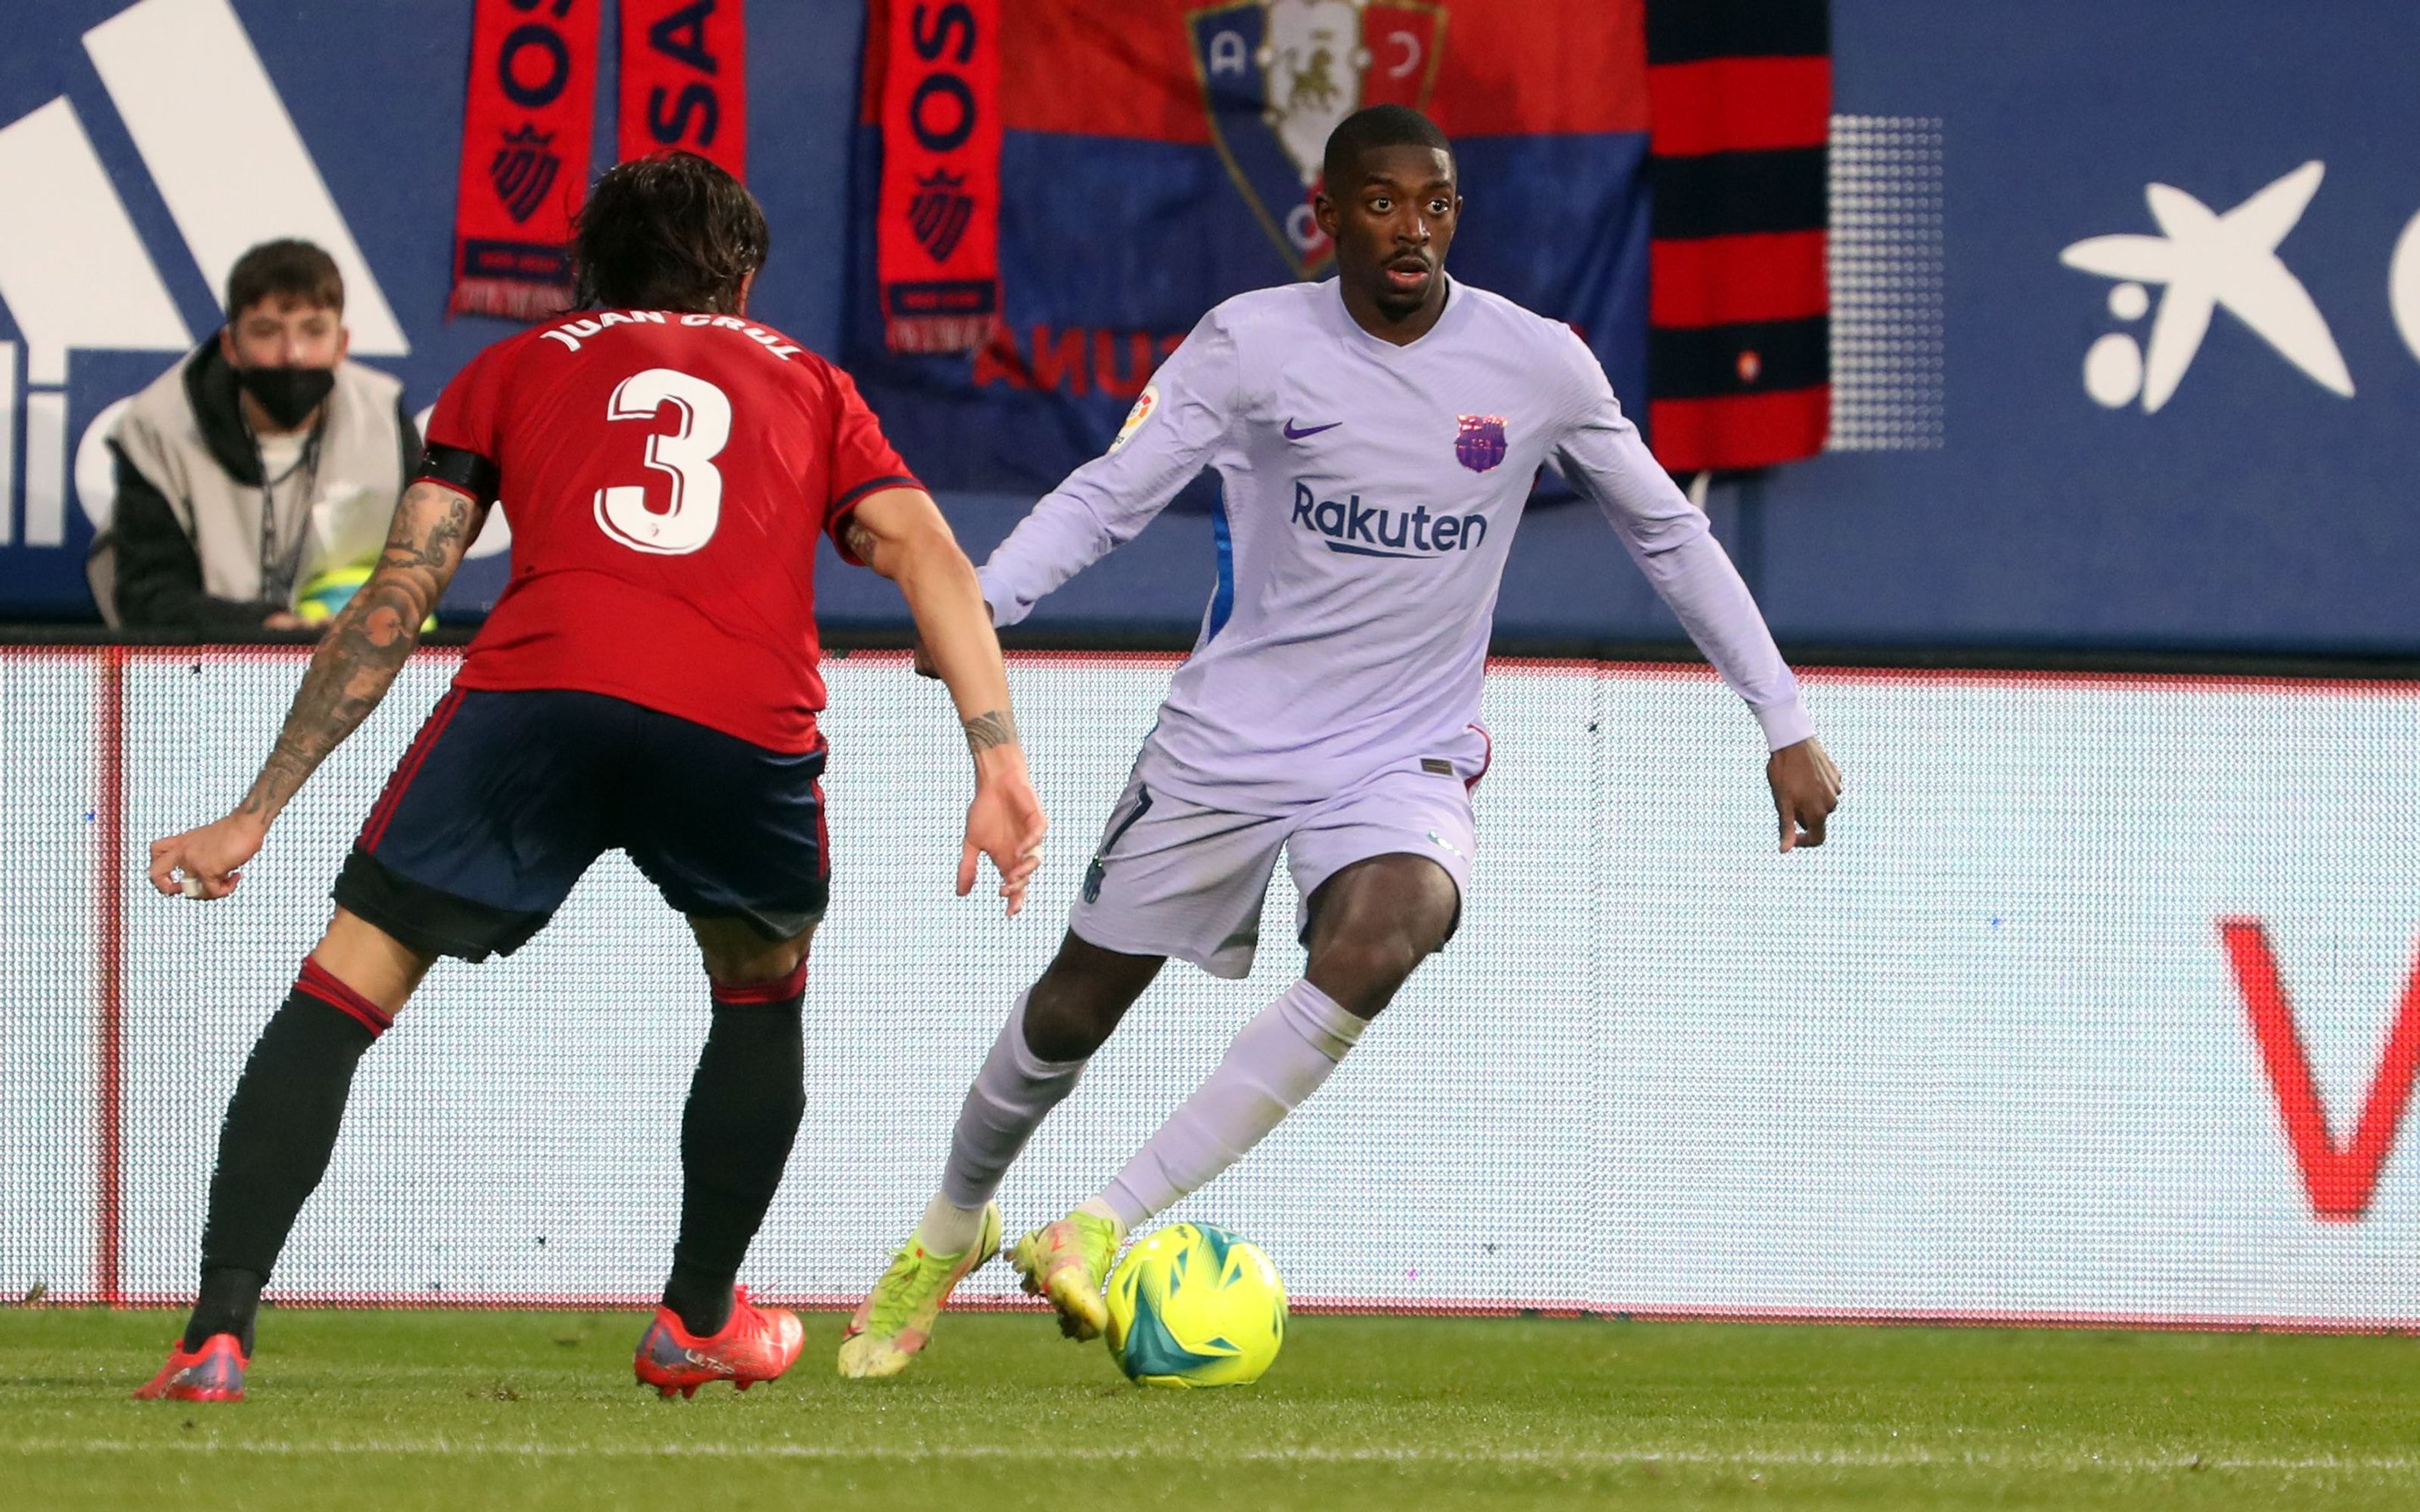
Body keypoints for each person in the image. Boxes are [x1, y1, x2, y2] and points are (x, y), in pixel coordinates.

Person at [836, 105, 1842, 1378]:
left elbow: (1668, 533)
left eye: (1434, 205)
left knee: (1399, 921)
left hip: (1401, 754)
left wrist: (1783, 718)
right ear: (1329, 215)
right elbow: (1111, 490)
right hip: (1229, 742)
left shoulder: (1538, 366)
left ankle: (1093, 1227)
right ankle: (944, 1232)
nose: (1411, 229)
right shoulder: (1251, 343)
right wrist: (985, 607)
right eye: (1381, 202)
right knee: (1072, 1011)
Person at [132, 152, 1047, 1403]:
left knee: (346, 984)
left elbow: (395, 604)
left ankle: (215, 1336)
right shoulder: (812, 384)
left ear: (588, 273)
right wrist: (996, 758)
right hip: (738, 713)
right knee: (761, 984)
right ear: (741, 276)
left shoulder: (511, 369)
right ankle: (696, 1318)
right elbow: (929, 554)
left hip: (536, 698)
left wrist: (256, 811)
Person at [96, 238, 419, 634]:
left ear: (342, 345)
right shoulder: (157, 429)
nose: (293, 354)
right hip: (206, 669)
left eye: (314, 331)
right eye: (267, 332)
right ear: (231, 345)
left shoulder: (384, 418)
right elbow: (150, 596)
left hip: (353, 664)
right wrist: (264, 628)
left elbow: (421, 571)